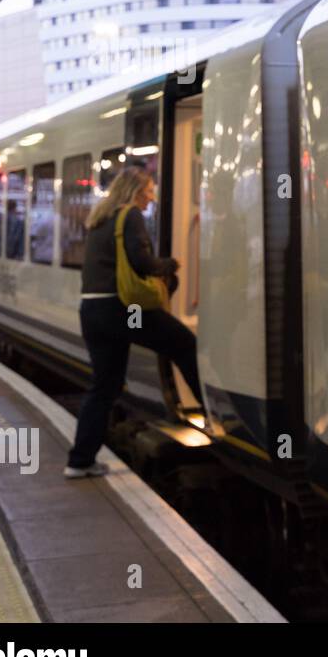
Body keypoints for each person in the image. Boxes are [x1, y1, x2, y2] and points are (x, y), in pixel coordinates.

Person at [64, 167, 202, 478]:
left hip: (93, 311)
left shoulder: (100, 218)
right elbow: (141, 262)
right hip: (126, 311)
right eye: (150, 191)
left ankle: (79, 461)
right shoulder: (131, 215)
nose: (152, 197)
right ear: (136, 191)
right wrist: (170, 265)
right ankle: (211, 416)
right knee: (184, 343)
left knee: (104, 386)